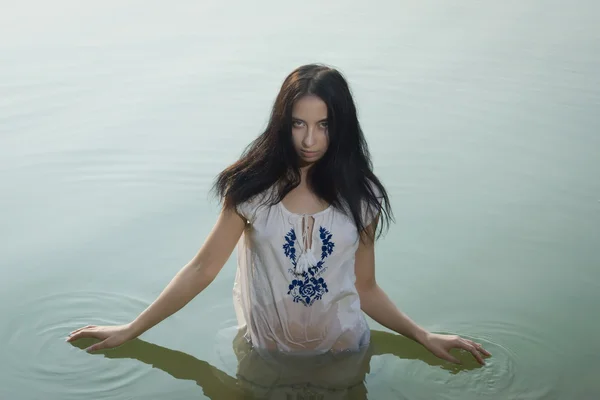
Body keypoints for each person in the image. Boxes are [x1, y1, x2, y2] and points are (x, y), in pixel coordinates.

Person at [67, 64, 490, 393]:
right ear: (282, 123)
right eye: (298, 123)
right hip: (265, 354)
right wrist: (130, 330)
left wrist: (422, 335)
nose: (310, 140)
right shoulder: (251, 192)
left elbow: (365, 288)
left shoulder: (362, 199)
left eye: (323, 125)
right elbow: (202, 270)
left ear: (340, 126)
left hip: (342, 352)